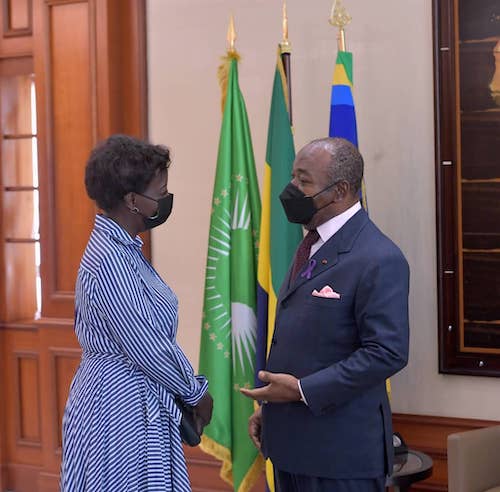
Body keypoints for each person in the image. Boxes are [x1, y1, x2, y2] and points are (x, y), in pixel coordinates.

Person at [241, 137, 409, 492]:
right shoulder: (311, 244)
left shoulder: (378, 257)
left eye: (303, 181)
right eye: (293, 177)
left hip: (339, 457)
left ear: (340, 190)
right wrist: (272, 409)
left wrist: (302, 390)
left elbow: (387, 352)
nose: (291, 188)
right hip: (289, 447)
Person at [60, 135, 213, 491]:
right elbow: (148, 346)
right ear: (132, 200)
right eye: (161, 192)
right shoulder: (110, 260)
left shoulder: (124, 249)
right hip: (118, 406)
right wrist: (196, 393)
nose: (166, 199)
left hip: (132, 395)